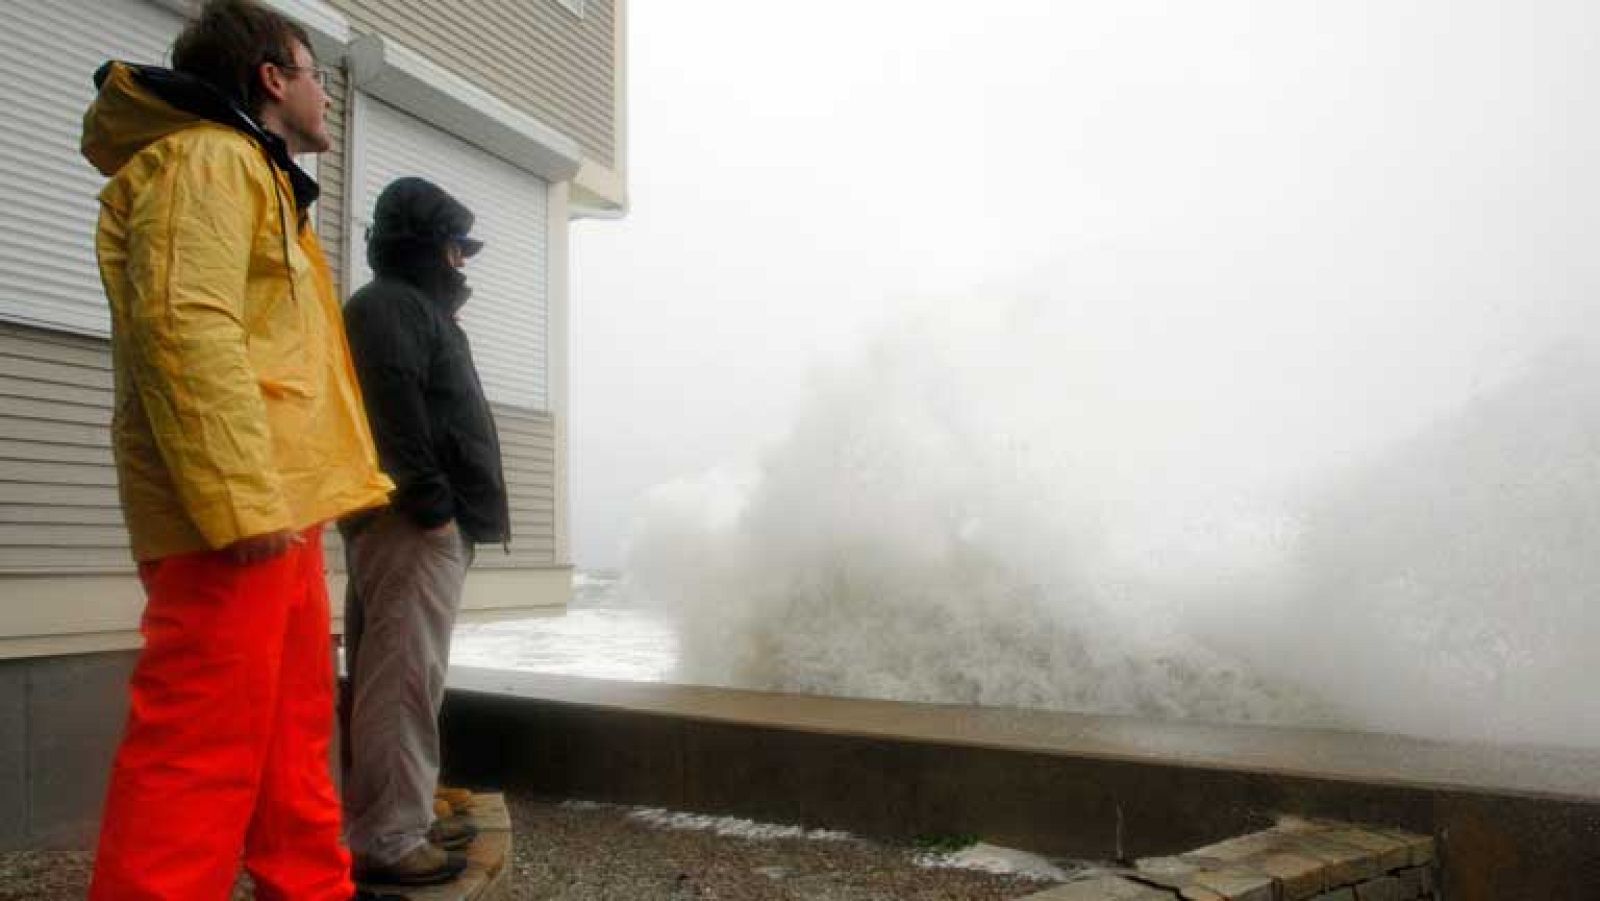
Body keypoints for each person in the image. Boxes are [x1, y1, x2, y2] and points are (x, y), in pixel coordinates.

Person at [80, 2, 395, 898]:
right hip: (235, 516)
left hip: (276, 508)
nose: (326, 96)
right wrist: (241, 500)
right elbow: (185, 329)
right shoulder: (208, 161)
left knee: (291, 733)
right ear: (271, 78)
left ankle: (313, 888)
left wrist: (271, 502)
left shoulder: (253, 172)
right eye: (314, 74)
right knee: (197, 746)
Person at [340, 177, 510, 886]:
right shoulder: (389, 307)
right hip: (410, 524)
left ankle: (399, 815)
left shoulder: (406, 307)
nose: (461, 261)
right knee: (404, 679)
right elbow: (394, 414)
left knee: (402, 674)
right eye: (454, 246)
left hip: (410, 522)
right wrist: (433, 506)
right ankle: (389, 837)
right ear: (426, 245)